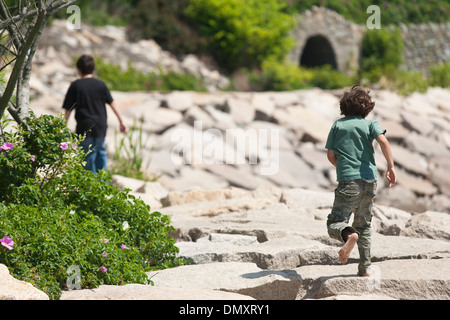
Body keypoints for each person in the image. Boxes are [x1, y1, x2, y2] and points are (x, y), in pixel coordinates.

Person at [325, 85, 396, 276]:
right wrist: (390, 167)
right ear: (367, 108)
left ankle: (349, 235)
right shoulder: (371, 124)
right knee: (364, 224)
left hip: (348, 181)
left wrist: (342, 168)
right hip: (369, 180)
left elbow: (331, 155)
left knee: (335, 222)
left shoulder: (338, 125)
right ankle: (365, 268)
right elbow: (383, 142)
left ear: (343, 107)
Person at [62, 54, 127, 173]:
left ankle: (88, 185)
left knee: (86, 155)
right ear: (93, 69)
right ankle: (102, 183)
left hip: (85, 126)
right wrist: (121, 121)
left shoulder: (76, 86)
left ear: (78, 69)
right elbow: (112, 103)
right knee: (101, 152)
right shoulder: (101, 84)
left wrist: (61, 128)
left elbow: (68, 110)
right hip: (100, 125)